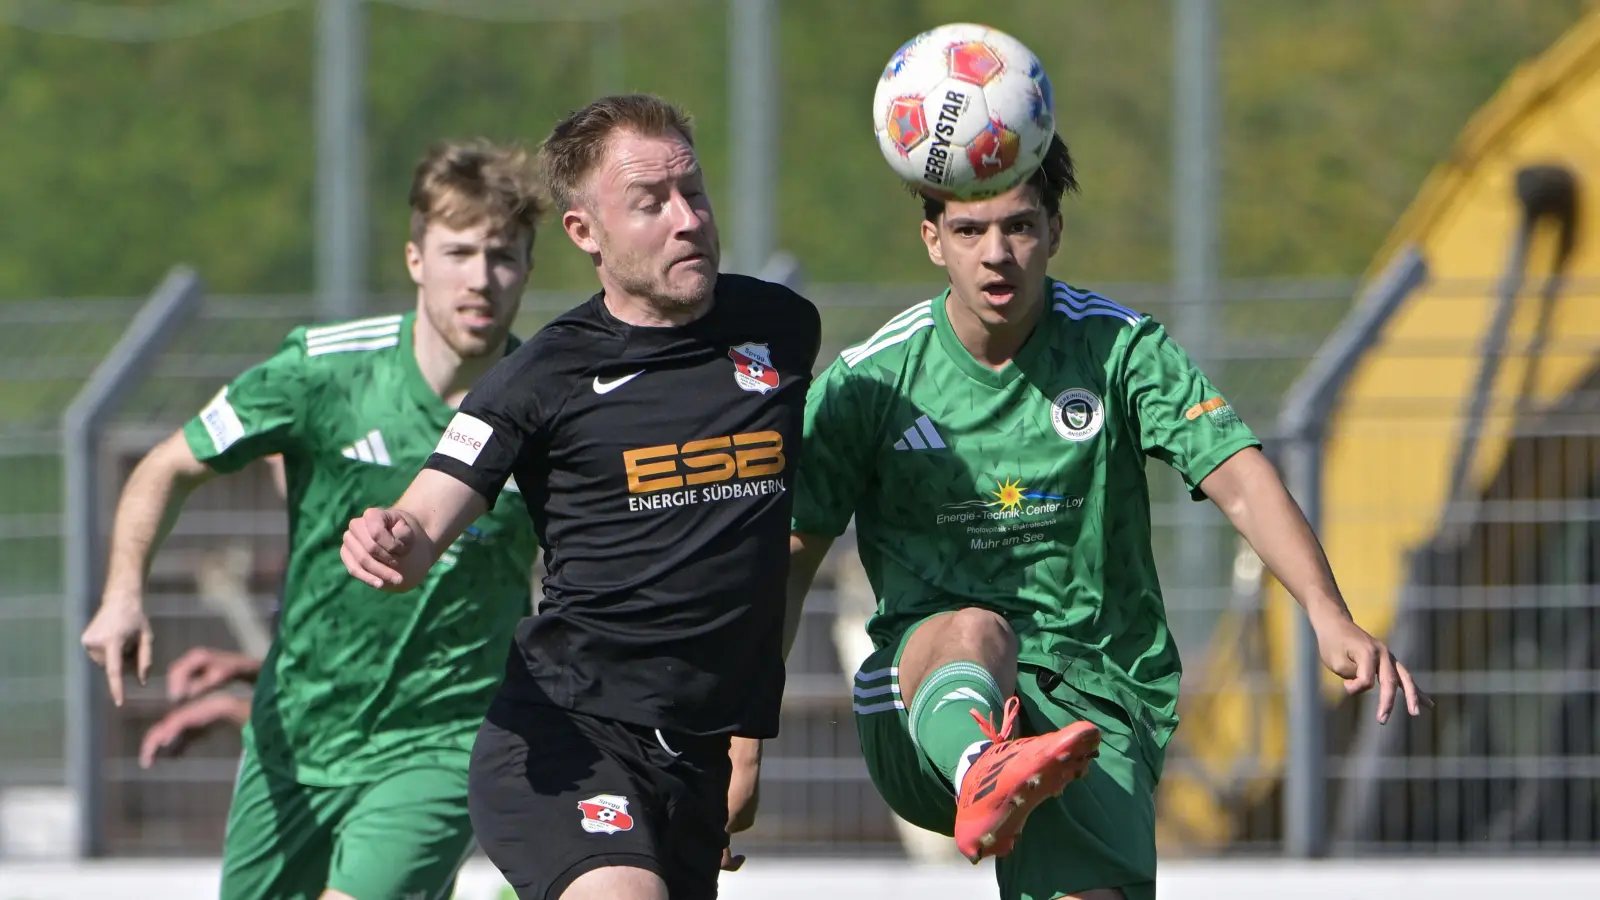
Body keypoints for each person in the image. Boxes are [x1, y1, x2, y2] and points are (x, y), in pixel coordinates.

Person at [781, 135, 1430, 900]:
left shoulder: (1120, 349)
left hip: (1096, 698)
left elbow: (1239, 478)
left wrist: (1327, 612)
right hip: (924, 703)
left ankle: (1017, 775)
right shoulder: (873, 381)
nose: (996, 254)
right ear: (932, 240)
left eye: (1020, 227)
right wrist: (741, 737)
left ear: (1055, 230)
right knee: (974, 630)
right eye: (969, 230)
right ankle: (982, 764)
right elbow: (792, 554)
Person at [340, 93, 819, 900]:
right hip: (565, 738)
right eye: (650, 202)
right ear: (584, 231)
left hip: (696, 757)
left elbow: (771, 551)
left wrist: (746, 742)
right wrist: (394, 537)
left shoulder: (781, 329)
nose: (688, 220)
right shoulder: (540, 377)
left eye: (694, 191)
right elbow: (426, 515)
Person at [80, 138, 546, 900]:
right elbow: (167, 466)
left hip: (442, 741)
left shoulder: (546, 409)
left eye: (503, 256)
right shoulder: (324, 371)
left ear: (528, 267)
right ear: (415, 259)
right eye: (459, 252)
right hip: (296, 738)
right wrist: (122, 593)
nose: (480, 278)